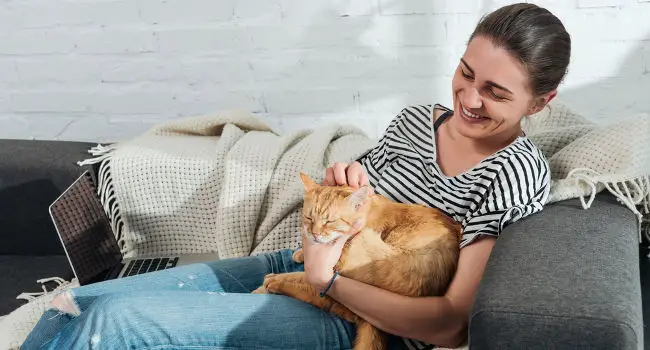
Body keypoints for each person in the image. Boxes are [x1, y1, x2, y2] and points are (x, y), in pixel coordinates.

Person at [21, 3, 570, 349]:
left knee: (116, 327)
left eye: (496, 93)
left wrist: (330, 281)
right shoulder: (414, 122)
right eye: (466, 74)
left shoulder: (516, 173)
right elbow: (350, 209)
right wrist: (343, 184)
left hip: (363, 320)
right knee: (80, 304)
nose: (469, 99)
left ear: (540, 103)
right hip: (300, 262)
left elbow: (450, 324)